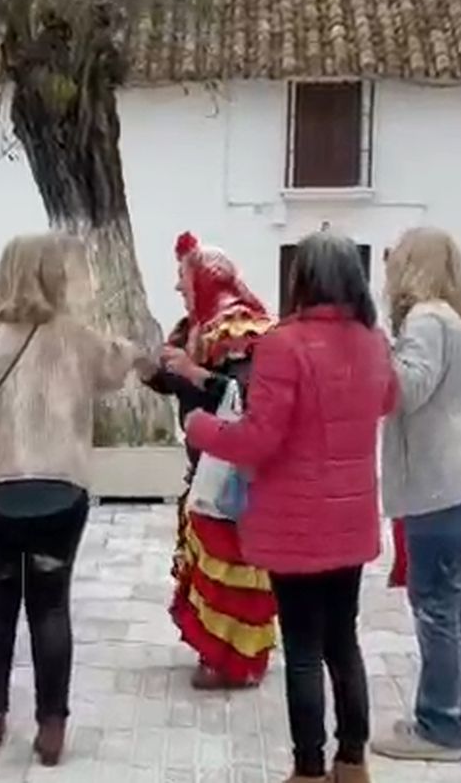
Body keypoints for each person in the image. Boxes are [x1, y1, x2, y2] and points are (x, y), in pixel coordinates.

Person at [185, 231, 396, 783]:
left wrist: (200, 426)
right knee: (342, 641)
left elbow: (258, 439)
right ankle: (352, 763)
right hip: (349, 522)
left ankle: (307, 770)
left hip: (295, 526)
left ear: (301, 279)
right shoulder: (372, 341)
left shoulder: (284, 345)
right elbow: (389, 399)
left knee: (303, 650)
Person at [0, 232, 145, 767]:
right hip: (60, 491)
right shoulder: (76, 335)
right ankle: (52, 727)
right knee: (51, 606)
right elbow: (117, 367)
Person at [371, 227, 461, 764]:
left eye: (395, 260)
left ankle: (438, 726)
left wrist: (371, 353)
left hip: (444, 483)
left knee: (436, 605)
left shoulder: (428, 320)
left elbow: (405, 391)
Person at [144, 232, 279, 691]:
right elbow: (178, 383)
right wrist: (148, 369)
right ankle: (216, 652)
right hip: (204, 465)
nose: (178, 286)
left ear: (203, 278)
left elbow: (240, 396)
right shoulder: (195, 326)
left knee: (234, 566)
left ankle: (235, 660)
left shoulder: (239, 328)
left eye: (183, 276)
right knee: (208, 562)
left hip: (233, 468)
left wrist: (187, 369)